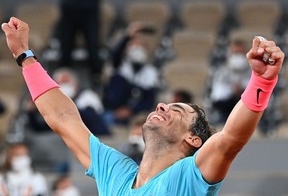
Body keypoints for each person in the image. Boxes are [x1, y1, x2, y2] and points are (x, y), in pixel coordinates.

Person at [1, 17, 285, 195]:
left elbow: (232, 138)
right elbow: (63, 117)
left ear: (193, 138)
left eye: (178, 110)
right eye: (167, 103)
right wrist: (25, 57)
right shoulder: (116, 171)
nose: (162, 105)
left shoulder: (188, 177)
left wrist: (261, 81)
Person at [102, 22, 160, 125]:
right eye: (134, 47)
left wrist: (131, 110)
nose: (137, 50)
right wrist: (127, 36)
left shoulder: (151, 72)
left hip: (135, 113)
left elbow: (150, 99)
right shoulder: (121, 65)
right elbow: (115, 54)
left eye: (141, 48)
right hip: (112, 111)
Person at [56, 0, 103, 86]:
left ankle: (96, 80)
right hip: (69, 8)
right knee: (66, 48)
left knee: (93, 48)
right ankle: (62, 82)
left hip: (89, 8)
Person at [209, 39, 251, 124]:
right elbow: (217, 93)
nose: (237, 56)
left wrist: (241, 89)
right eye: (235, 52)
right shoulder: (222, 69)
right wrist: (233, 88)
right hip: (225, 103)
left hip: (245, 102)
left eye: (239, 52)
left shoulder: (251, 69)